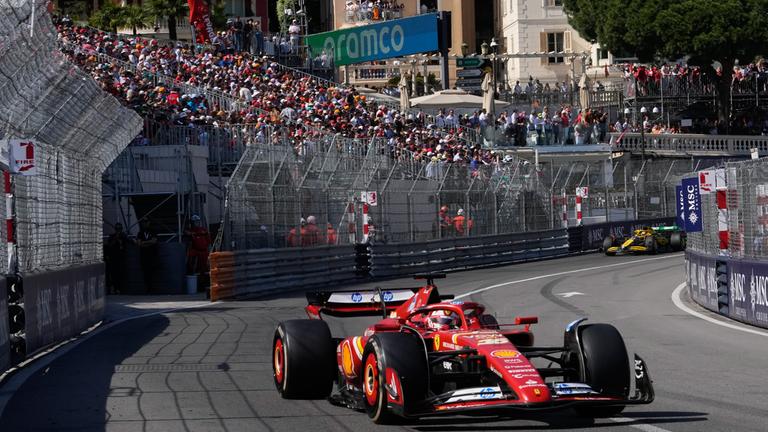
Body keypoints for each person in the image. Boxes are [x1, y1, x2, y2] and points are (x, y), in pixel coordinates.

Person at [105, 222, 129, 294]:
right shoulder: (112, 236)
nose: (118, 230)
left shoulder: (123, 236)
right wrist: (116, 239)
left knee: (121, 274)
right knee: (114, 274)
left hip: (121, 258)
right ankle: (115, 288)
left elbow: (129, 241)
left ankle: (121, 289)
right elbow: (109, 245)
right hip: (114, 258)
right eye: (117, 229)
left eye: (119, 229)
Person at [137, 220, 159, 294]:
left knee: (153, 272)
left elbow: (154, 241)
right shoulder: (140, 233)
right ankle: (148, 289)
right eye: (143, 222)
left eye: (146, 222)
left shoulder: (153, 231)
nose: (145, 223)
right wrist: (149, 242)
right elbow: (139, 243)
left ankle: (153, 289)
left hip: (152, 256)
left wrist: (144, 243)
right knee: (145, 273)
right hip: (144, 256)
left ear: (149, 222)